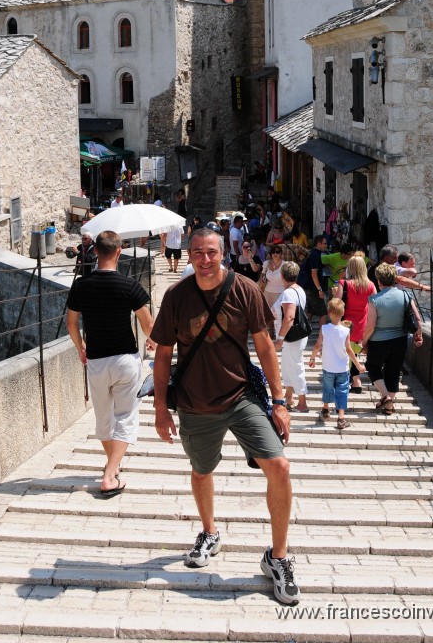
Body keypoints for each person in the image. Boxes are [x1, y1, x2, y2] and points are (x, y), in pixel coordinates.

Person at [150, 227, 298, 605]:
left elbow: (264, 347)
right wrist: (160, 408)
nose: (204, 259)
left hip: (241, 396)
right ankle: (210, 532)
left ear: (223, 254)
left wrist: (279, 401)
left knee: (279, 466)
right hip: (195, 402)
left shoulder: (245, 290)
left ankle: (277, 557)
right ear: (188, 255)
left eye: (211, 252)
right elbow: (163, 354)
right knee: (202, 470)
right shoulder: (177, 297)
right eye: (197, 252)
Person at [67, 230, 154, 497]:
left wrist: (81, 347)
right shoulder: (130, 286)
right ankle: (109, 474)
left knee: (103, 418)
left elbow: (72, 324)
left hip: (96, 360)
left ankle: (112, 465)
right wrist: (155, 343)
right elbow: (147, 323)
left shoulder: (81, 285)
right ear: (118, 252)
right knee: (126, 415)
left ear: (95, 251)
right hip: (126, 360)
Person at [360, 262, 423, 415]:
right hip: (400, 339)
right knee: (393, 371)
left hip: (379, 341)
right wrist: (418, 335)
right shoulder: (405, 295)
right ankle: (389, 407)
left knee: (373, 367)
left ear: (378, 280)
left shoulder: (374, 299)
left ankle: (385, 396)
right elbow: (417, 318)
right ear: (395, 279)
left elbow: (371, 326)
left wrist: (364, 341)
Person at [309, 298, 366, 430]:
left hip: (328, 367)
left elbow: (318, 345)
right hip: (342, 368)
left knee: (328, 388)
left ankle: (325, 409)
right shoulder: (346, 331)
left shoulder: (324, 328)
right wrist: (358, 365)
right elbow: (349, 349)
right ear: (343, 312)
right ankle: (341, 418)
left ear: (328, 313)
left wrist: (312, 358)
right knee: (342, 391)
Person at [333, 255, 376, 394]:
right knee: (353, 352)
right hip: (362, 325)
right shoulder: (370, 285)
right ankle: (355, 380)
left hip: (346, 324)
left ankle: (354, 380)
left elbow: (335, 305)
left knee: (346, 352)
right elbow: (376, 304)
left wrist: (334, 293)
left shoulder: (343, 284)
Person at [274, 262, 308, 412]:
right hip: (295, 336)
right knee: (288, 366)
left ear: (282, 276)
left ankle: (303, 402)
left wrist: (280, 338)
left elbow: (289, 317)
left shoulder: (288, 293)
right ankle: (289, 397)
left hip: (291, 336)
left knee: (295, 367)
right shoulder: (299, 289)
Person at [297, 234, 327, 322]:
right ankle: (323, 334)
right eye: (324, 243)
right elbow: (314, 274)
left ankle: (303, 331)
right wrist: (320, 289)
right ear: (319, 244)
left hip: (308, 287)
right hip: (313, 288)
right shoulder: (315, 256)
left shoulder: (313, 254)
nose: (326, 245)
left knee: (310, 311)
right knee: (323, 313)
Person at [260, 245, 287, 332]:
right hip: (267, 292)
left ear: (281, 254)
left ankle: (280, 333)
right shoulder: (266, 263)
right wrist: (262, 281)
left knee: (278, 314)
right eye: (273, 252)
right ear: (271, 254)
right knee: (268, 314)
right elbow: (262, 275)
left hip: (280, 293)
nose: (275, 254)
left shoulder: (285, 265)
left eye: (277, 252)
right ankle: (271, 330)